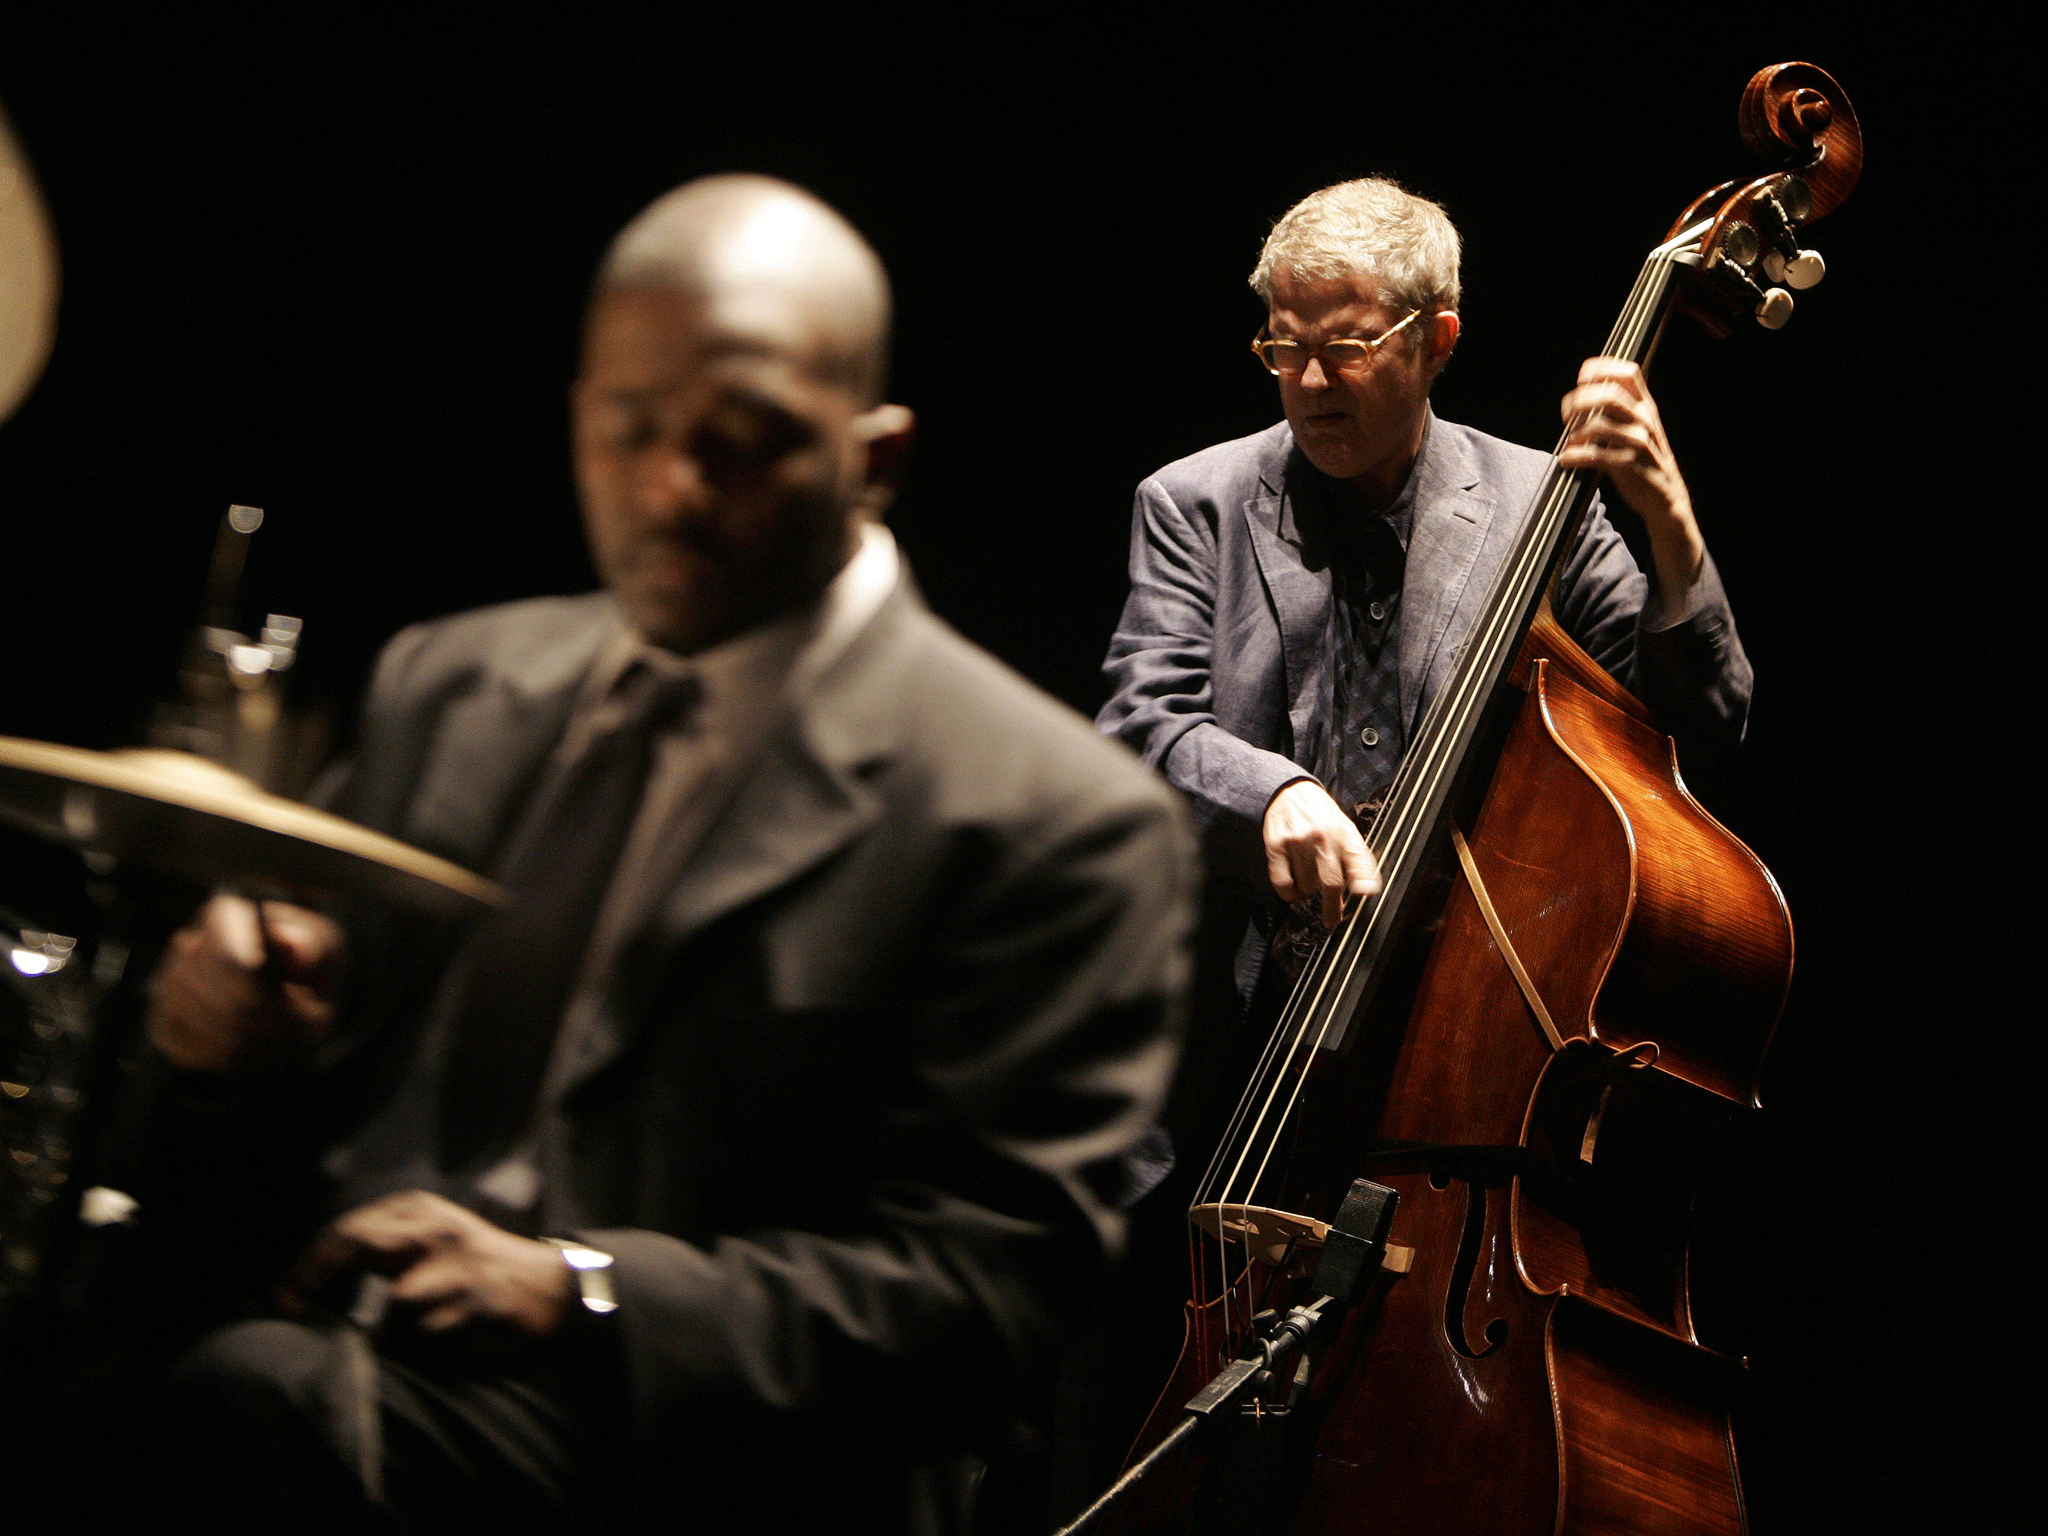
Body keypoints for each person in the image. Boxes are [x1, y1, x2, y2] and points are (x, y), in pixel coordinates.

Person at [124, 175, 1194, 1535]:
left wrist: (579, 1289)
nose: (669, 490)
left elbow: (990, 1301)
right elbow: (308, 1095)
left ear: (875, 459)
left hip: (690, 1458)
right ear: (578, 414)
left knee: (246, 1404)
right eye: (629, 429)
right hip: (331, 1351)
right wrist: (233, 1044)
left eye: (742, 442)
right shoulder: (452, 682)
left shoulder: (1052, 815)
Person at [1096, 175, 1751, 1159]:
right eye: (1283, 346)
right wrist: (1270, 793)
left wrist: (1667, 519)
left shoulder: (1541, 502)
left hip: (1460, 1035)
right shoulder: (1193, 504)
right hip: (1228, 1048)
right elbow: (1141, 731)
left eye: (1345, 349)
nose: (1309, 384)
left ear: (1434, 340)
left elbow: (1693, 726)